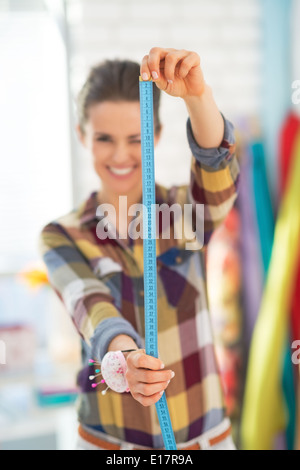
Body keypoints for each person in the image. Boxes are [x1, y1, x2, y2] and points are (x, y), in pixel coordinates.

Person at [39, 47, 239, 450]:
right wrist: (124, 358)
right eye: (104, 138)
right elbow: (92, 307)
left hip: (206, 438)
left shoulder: (186, 213)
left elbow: (218, 176)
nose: (120, 155)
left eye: (135, 139)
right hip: (108, 444)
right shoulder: (62, 235)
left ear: (156, 135)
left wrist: (197, 96)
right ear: (82, 136)